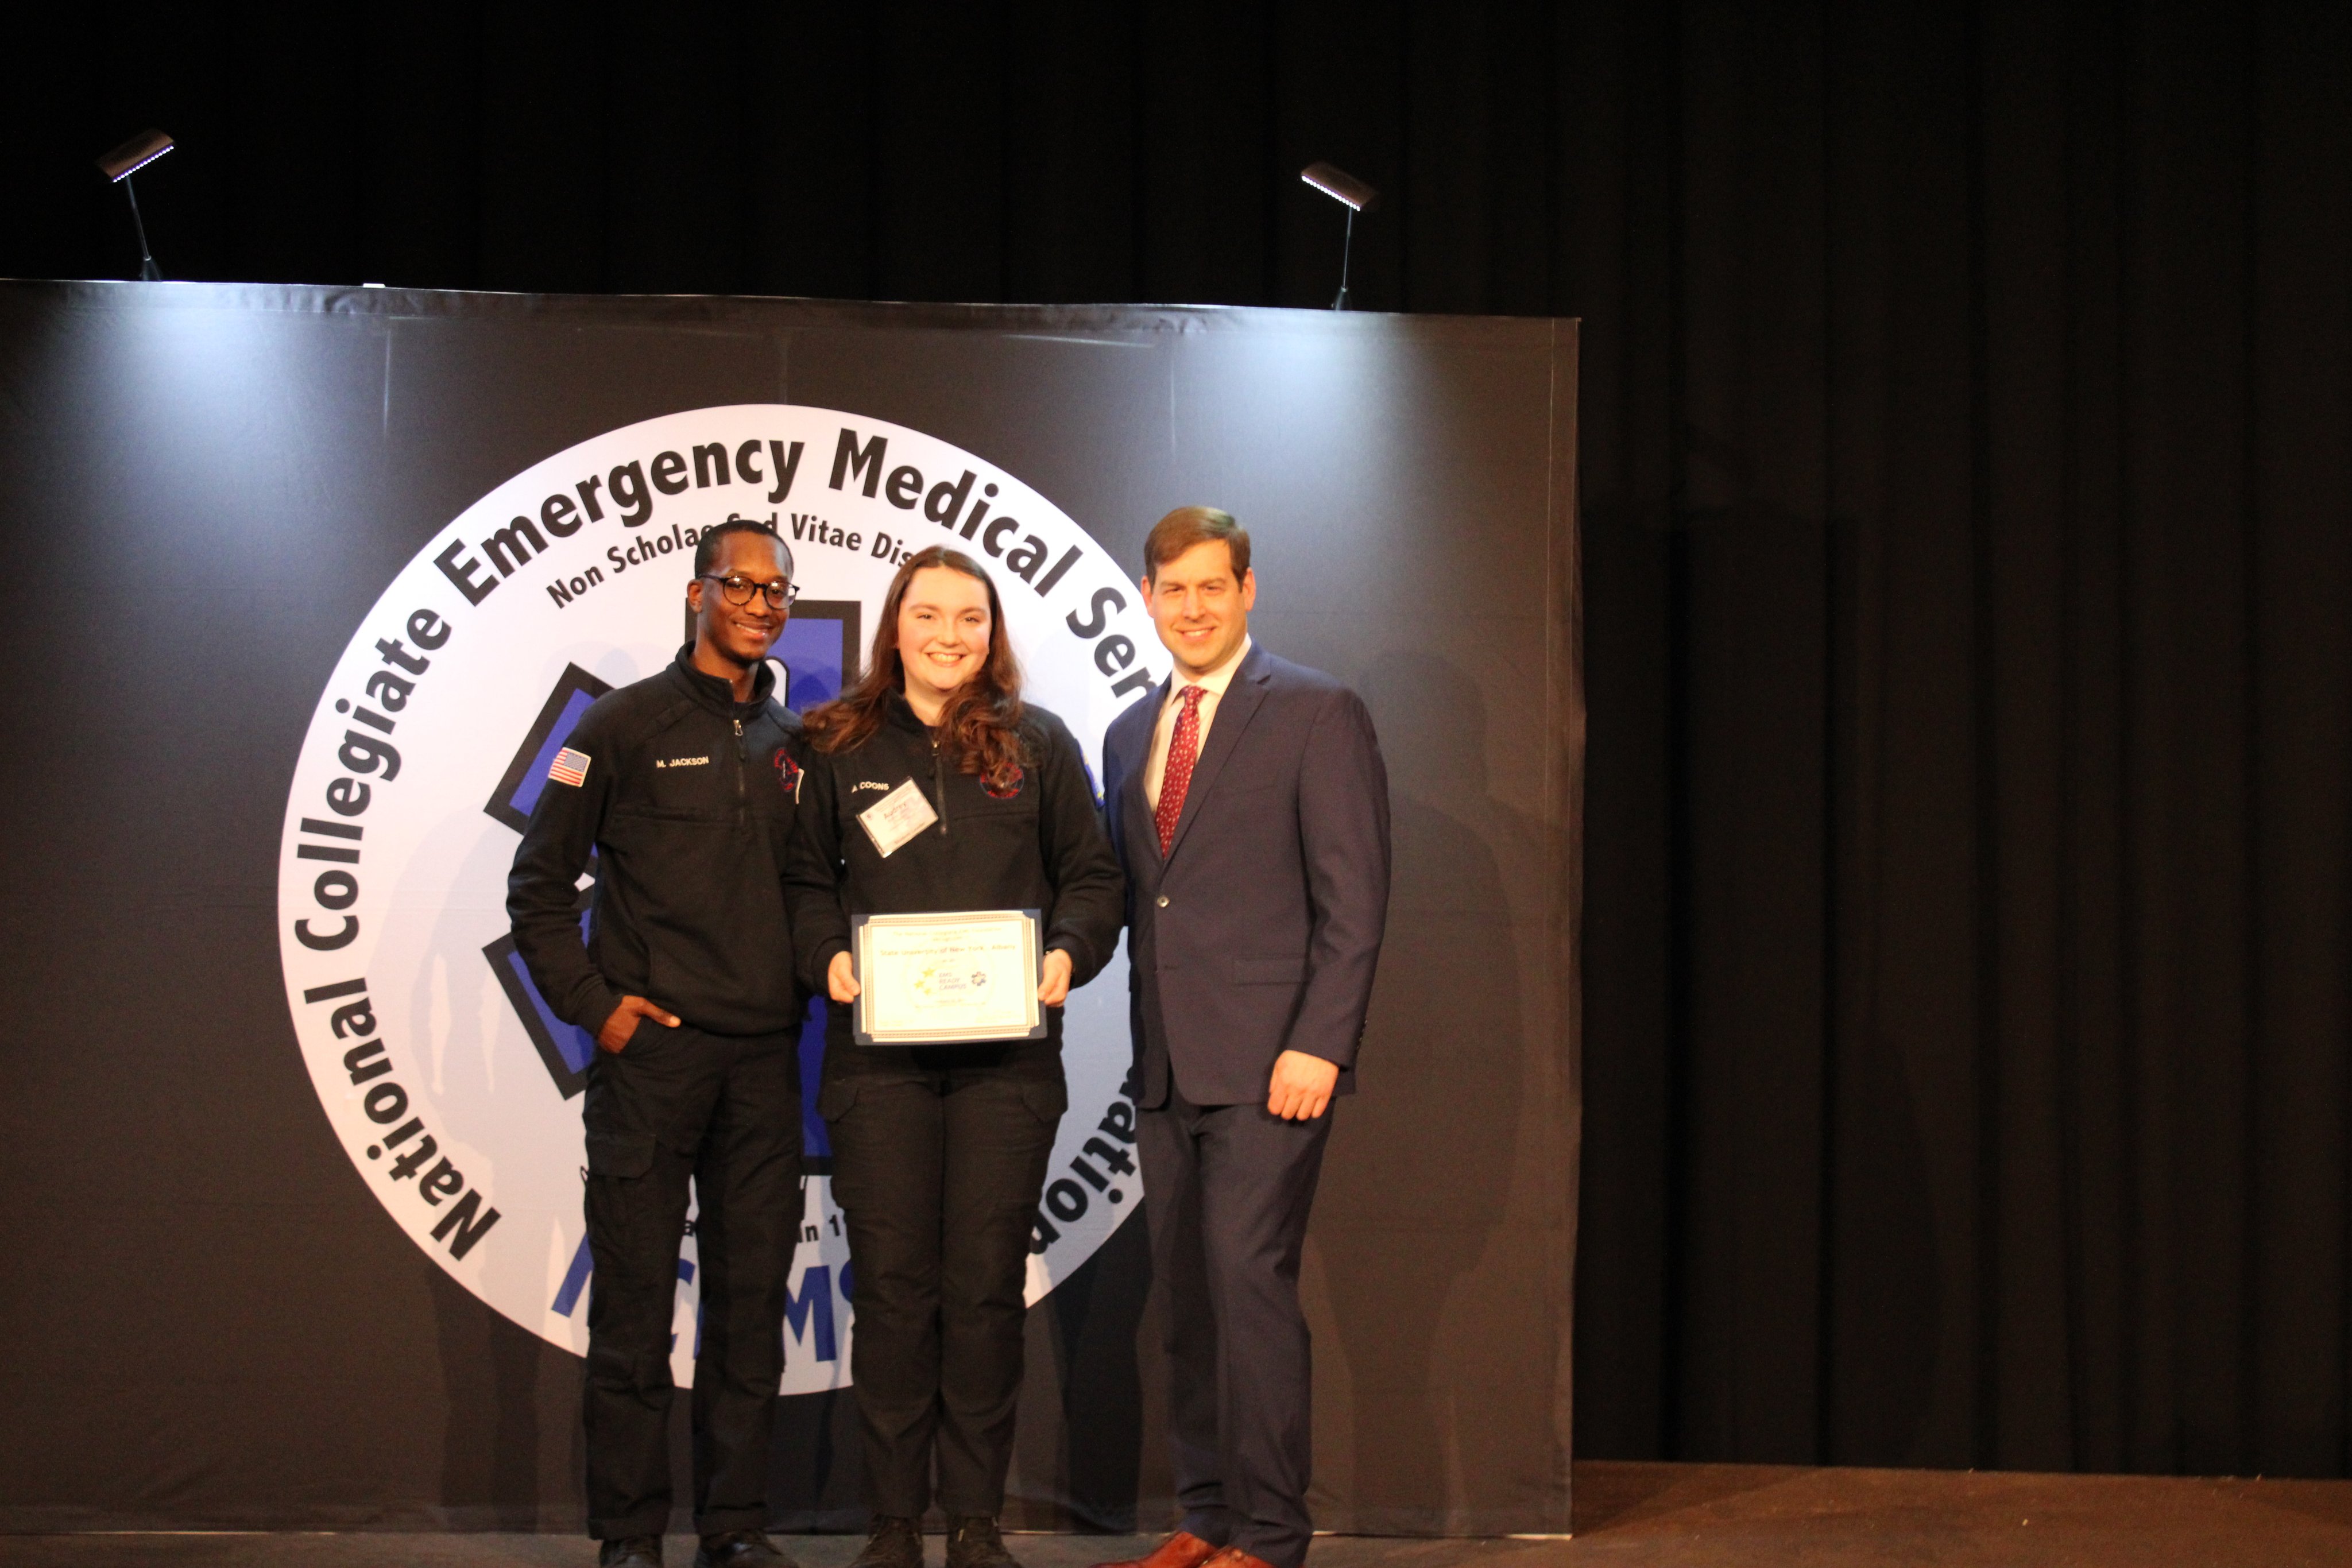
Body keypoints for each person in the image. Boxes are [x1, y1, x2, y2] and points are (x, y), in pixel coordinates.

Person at [784, 545, 1123, 1568]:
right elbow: (802, 883)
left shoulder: (1039, 743)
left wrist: (1068, 953)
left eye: (970, 618)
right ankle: (894, 1522)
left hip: (1007, 1074)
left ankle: (974, 1521)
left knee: (981, 1291)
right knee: (892, 1292)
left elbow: (1093, 879)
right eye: (928, 614)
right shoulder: (836, 745)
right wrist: (826, 955)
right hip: (877, 1070)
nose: (948, 635)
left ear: (992, 632)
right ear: (896, 626)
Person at [508, 519, 811, 1568]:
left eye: (777, 590)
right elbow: (538, 887)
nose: (762, 604)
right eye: (741, 585)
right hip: (652, 1063)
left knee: (749, 1309)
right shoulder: (616, 727)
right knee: (634, 1310)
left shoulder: (798, 746)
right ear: (697, 594)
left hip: (765, 1066)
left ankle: (734, 1528)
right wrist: (595, 1006)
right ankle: (631, 1534)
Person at [1093, 508, 1390, 1568]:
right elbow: (1133, 897)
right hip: (1166, 1065)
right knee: (1187, 1300)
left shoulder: (1317, 710)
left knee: (1248, 1285)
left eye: (1212, 587)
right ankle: (1206, 1516)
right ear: (1147, 598)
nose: (1193, 609)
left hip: (1275, 1067)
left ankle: (1269, 1534)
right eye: (1173, 590)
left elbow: (1354, 900)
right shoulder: (1129, 731)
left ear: (1248, 590)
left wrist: (1322, 1042)